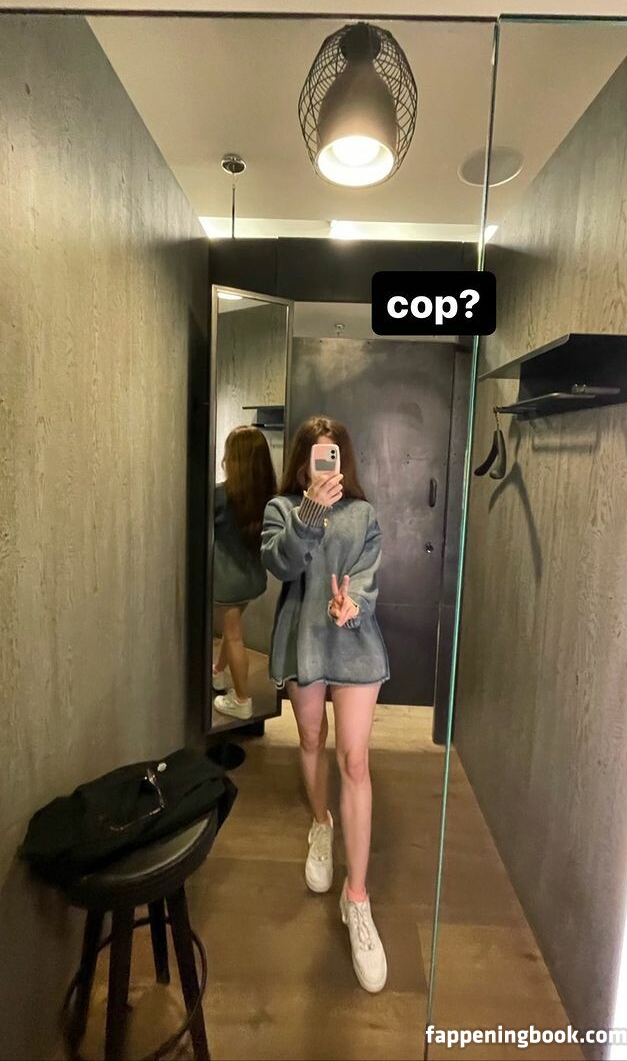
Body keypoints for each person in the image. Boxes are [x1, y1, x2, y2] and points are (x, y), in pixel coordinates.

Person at [261, 415, 389, 993]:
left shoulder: (363, 514)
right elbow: (281, 565)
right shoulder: (282, 509)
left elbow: (368, 574)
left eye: (332, 455)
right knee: (311, 737)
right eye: (316, 455)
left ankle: (356, 897)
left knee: (355, 760)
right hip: (303, 638)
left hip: (353, 639)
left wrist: (352, 603)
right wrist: (309, 512)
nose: (325, 464)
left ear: (344, 459)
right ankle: (321, 823)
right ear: (302, 461)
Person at [213, 426, 277, 721]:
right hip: (253, 578)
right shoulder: (270, 498)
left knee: (234, 636)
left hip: (228, 580)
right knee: (233, 630)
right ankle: (217, 672)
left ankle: (242, 699)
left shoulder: (219, 496)